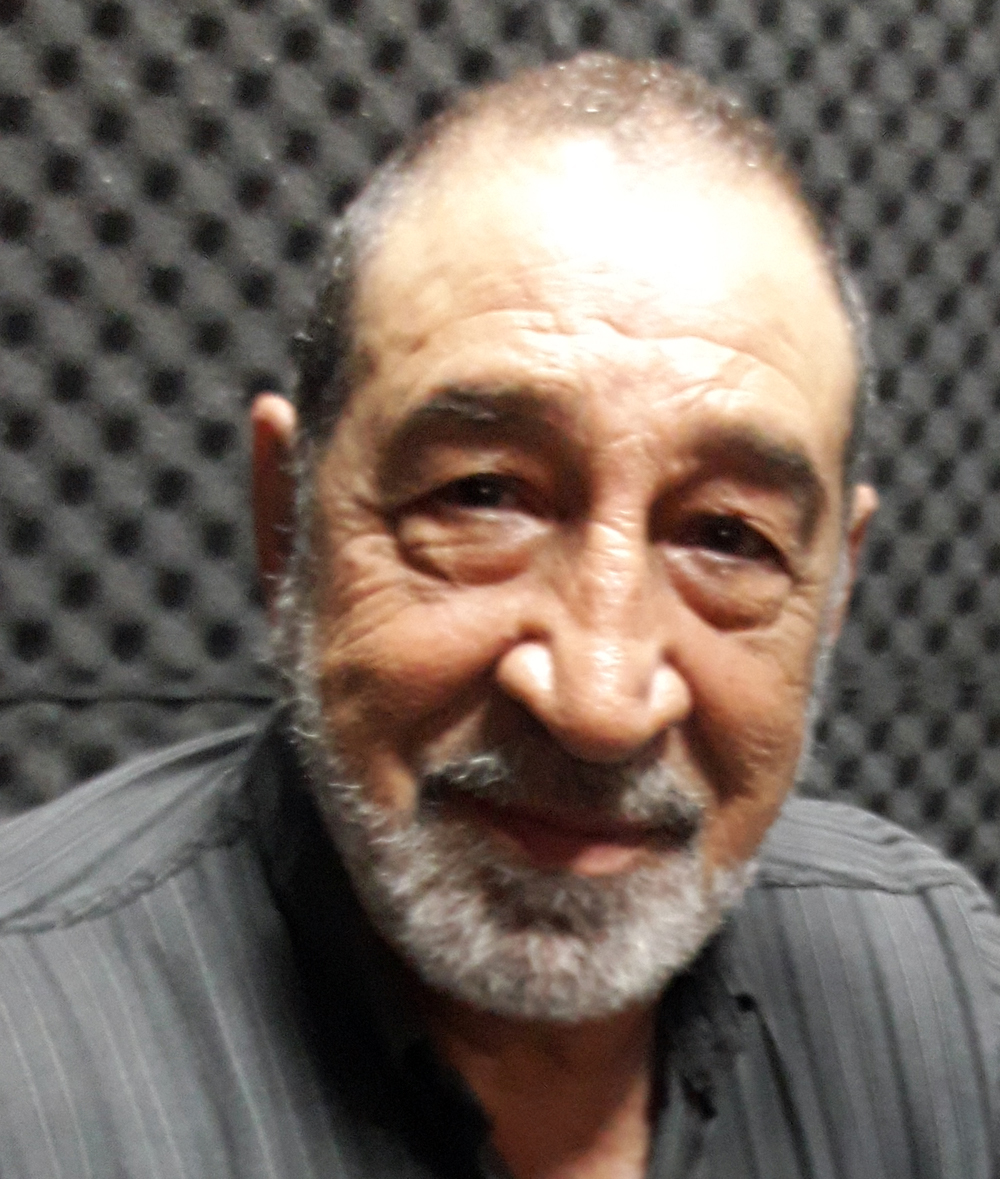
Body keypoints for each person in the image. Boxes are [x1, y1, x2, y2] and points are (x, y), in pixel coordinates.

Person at [0, 53, 996, 1179]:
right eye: (482, 496)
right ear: (287, 521)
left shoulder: (935, 970)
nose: (600, 703)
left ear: (834, 589)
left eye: (727, 537)